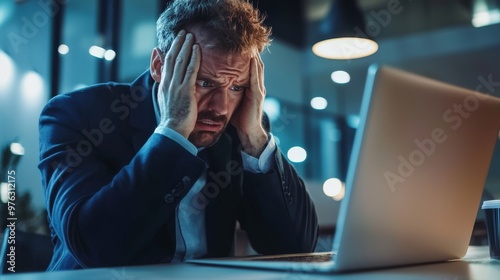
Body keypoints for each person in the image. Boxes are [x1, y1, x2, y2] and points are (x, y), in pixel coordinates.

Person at [38, 0, 318, 270]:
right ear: (160, 67)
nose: (221, 107)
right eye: (204, 82)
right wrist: (173, 132)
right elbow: (96, 248)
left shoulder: (241, 123)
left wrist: (255, 138)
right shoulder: (76, 114)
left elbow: (295, 246)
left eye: (237, 87)